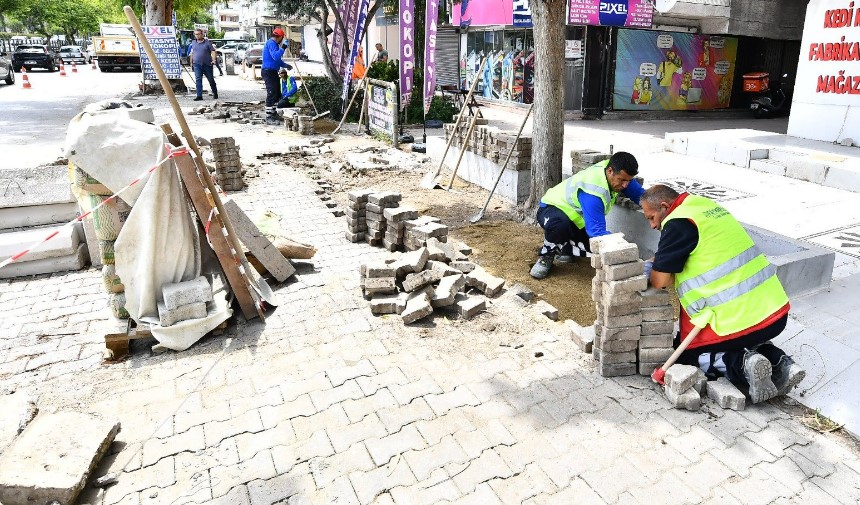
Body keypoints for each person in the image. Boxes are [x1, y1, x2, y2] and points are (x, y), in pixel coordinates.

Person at [641, 184, 806, 404]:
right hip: (774, 312)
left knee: (687, 356)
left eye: (652, 217)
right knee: (744, 339)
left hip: (736, 319)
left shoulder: (678, 222)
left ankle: (741, 366)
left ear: (665, 206)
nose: (652, 225)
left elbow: (660, 281)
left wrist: (649, 268)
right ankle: (781, 363)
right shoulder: (704, 207)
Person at [530, 152, 644, 279]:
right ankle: (547, 255)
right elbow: (597, 233)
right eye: (622, 180)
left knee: (588, 246)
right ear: (610, 171)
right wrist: (624, 252)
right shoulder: (593, 191)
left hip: (575, 219)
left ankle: (565, 248)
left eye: (629, 181)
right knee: (561, 226)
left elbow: (641, 196)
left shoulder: (617, 172)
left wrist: (659, 211)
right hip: (551, 209)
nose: (625, 185)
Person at [262, 27, 293, 125]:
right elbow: (276, 56)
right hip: (268, 71)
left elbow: (277, 60)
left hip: (272, 71)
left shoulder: (274, 44)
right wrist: (283, 47)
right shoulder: (271, 43)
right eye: (282, 38)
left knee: (277, 94)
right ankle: (268, 117)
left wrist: (286, 65)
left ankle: (273, 113)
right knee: (271, 93)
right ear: (279, 37)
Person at [189, 29, 218, 101]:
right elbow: (192, 53)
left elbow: (213, 51)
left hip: (207, 64)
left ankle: (215, 92)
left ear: (202, 34)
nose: (197, 36)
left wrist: (214, 60)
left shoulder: (207, 43)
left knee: (211, 79)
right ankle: (199, 95)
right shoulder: (193, 43)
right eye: (196, 34)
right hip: (197, 64)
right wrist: (191, 62)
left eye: (198, 34)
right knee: (198, 79)